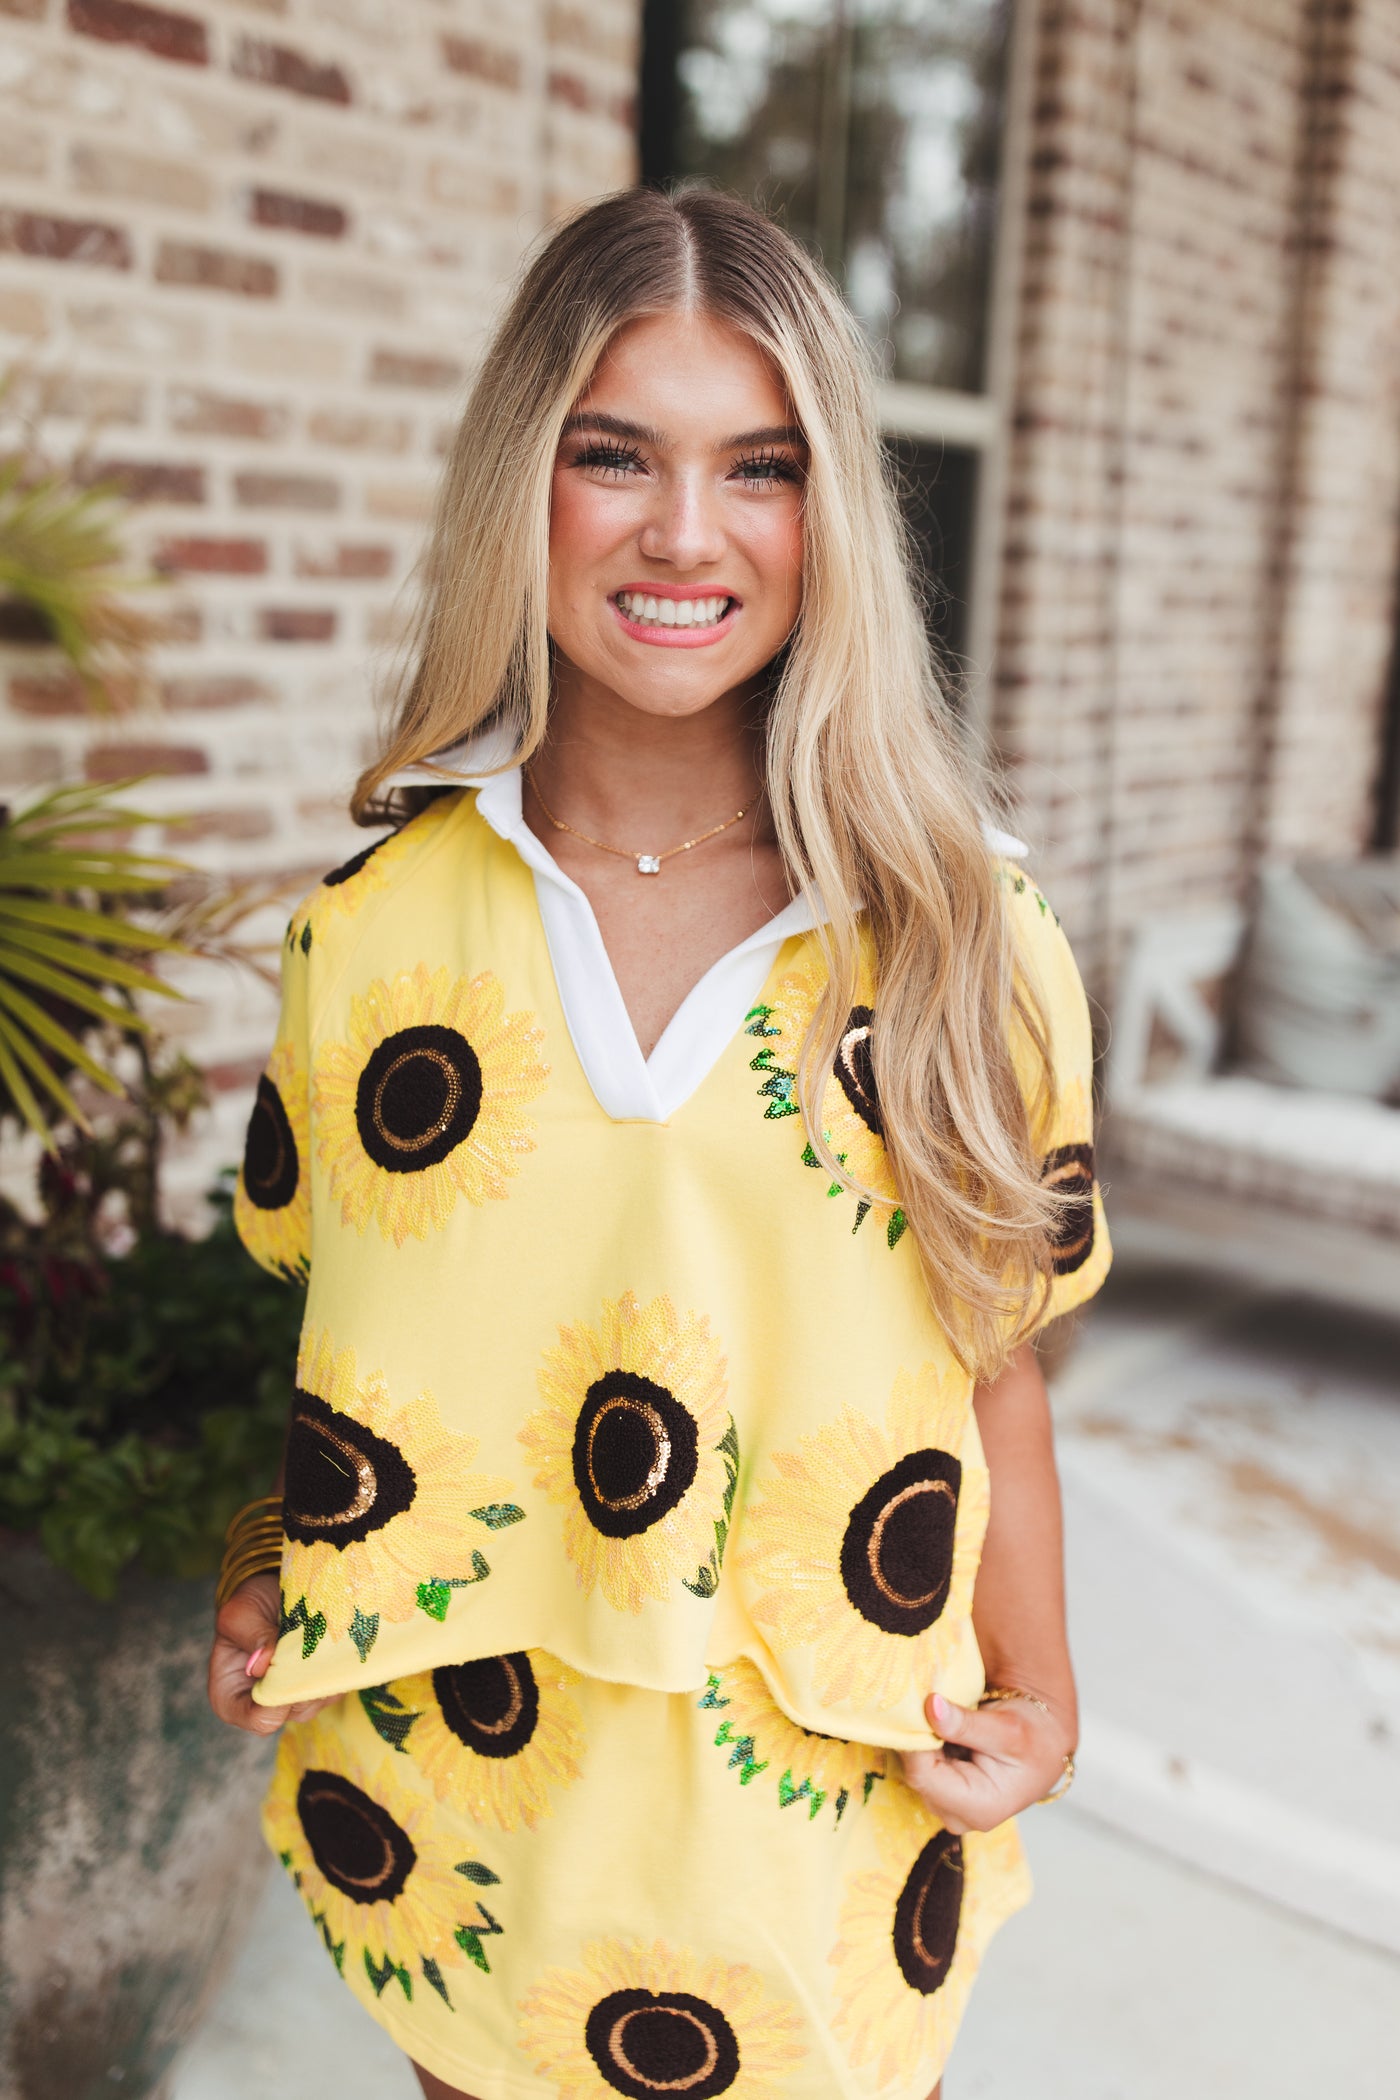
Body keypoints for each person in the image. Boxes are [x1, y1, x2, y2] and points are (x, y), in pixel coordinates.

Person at [209, 185, 1109, 2100]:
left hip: (815, 1837)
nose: (683, 535)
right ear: (520, 485)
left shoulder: (965, 939)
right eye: (614, 455)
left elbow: (999, 1362)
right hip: (475, 1803)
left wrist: (1038, 1693)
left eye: (758, 469)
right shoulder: (368, 930)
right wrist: (274, 1559)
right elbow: (346, 1335)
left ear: (829, 514)